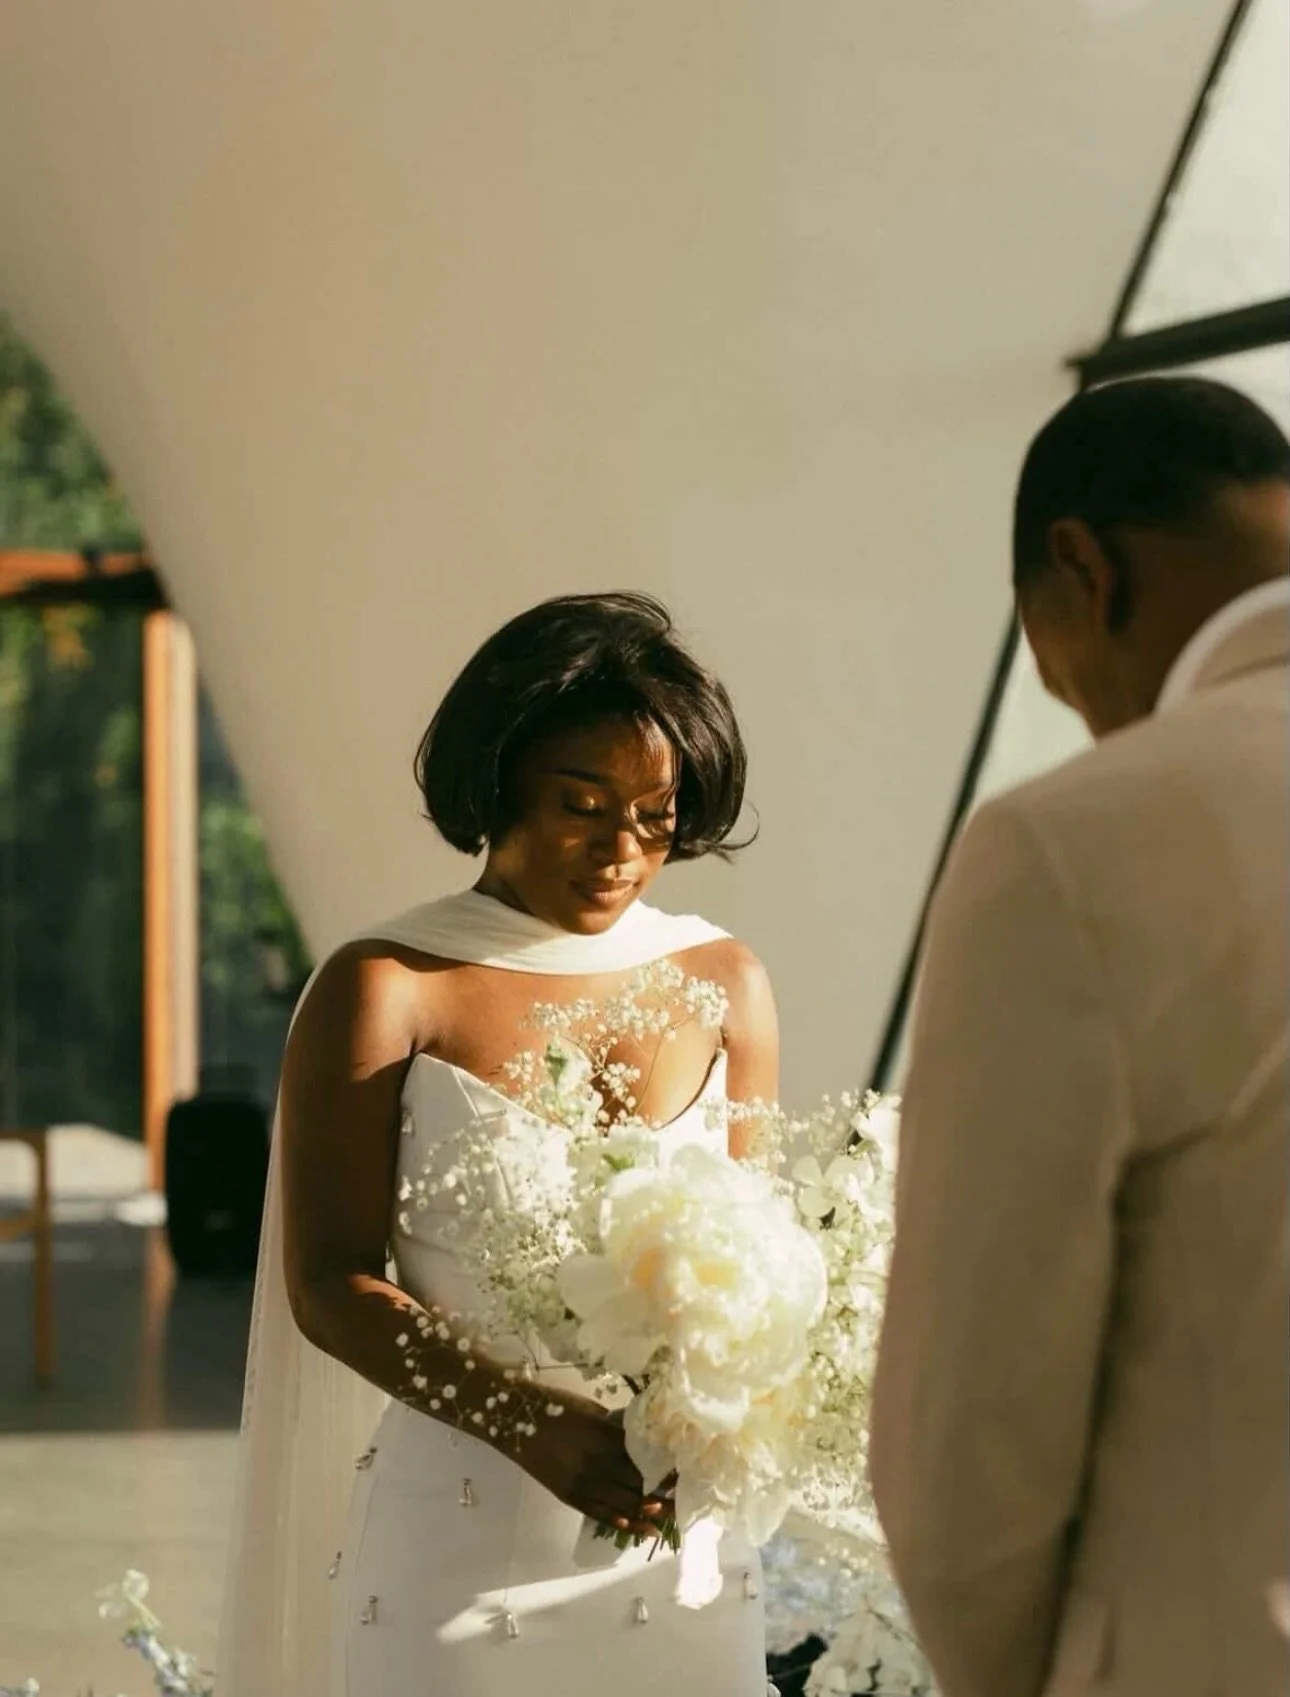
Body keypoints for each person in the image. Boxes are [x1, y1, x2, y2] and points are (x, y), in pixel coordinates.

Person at [217, 592, 779, 1696]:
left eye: (656, 815)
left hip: (685, 1552)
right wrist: (525, 1422)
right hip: (459, 1550)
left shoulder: (725, 981)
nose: (621, 849)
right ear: (496, 779)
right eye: (582, 804)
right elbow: (329, 1282)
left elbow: (758, 1267)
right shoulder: (387, 987)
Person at [871, 377, 1290, 1697]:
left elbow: (970, 1441)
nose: (1080, 708)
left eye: (1050, 672)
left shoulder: (1064, 845)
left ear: (1082, 571)